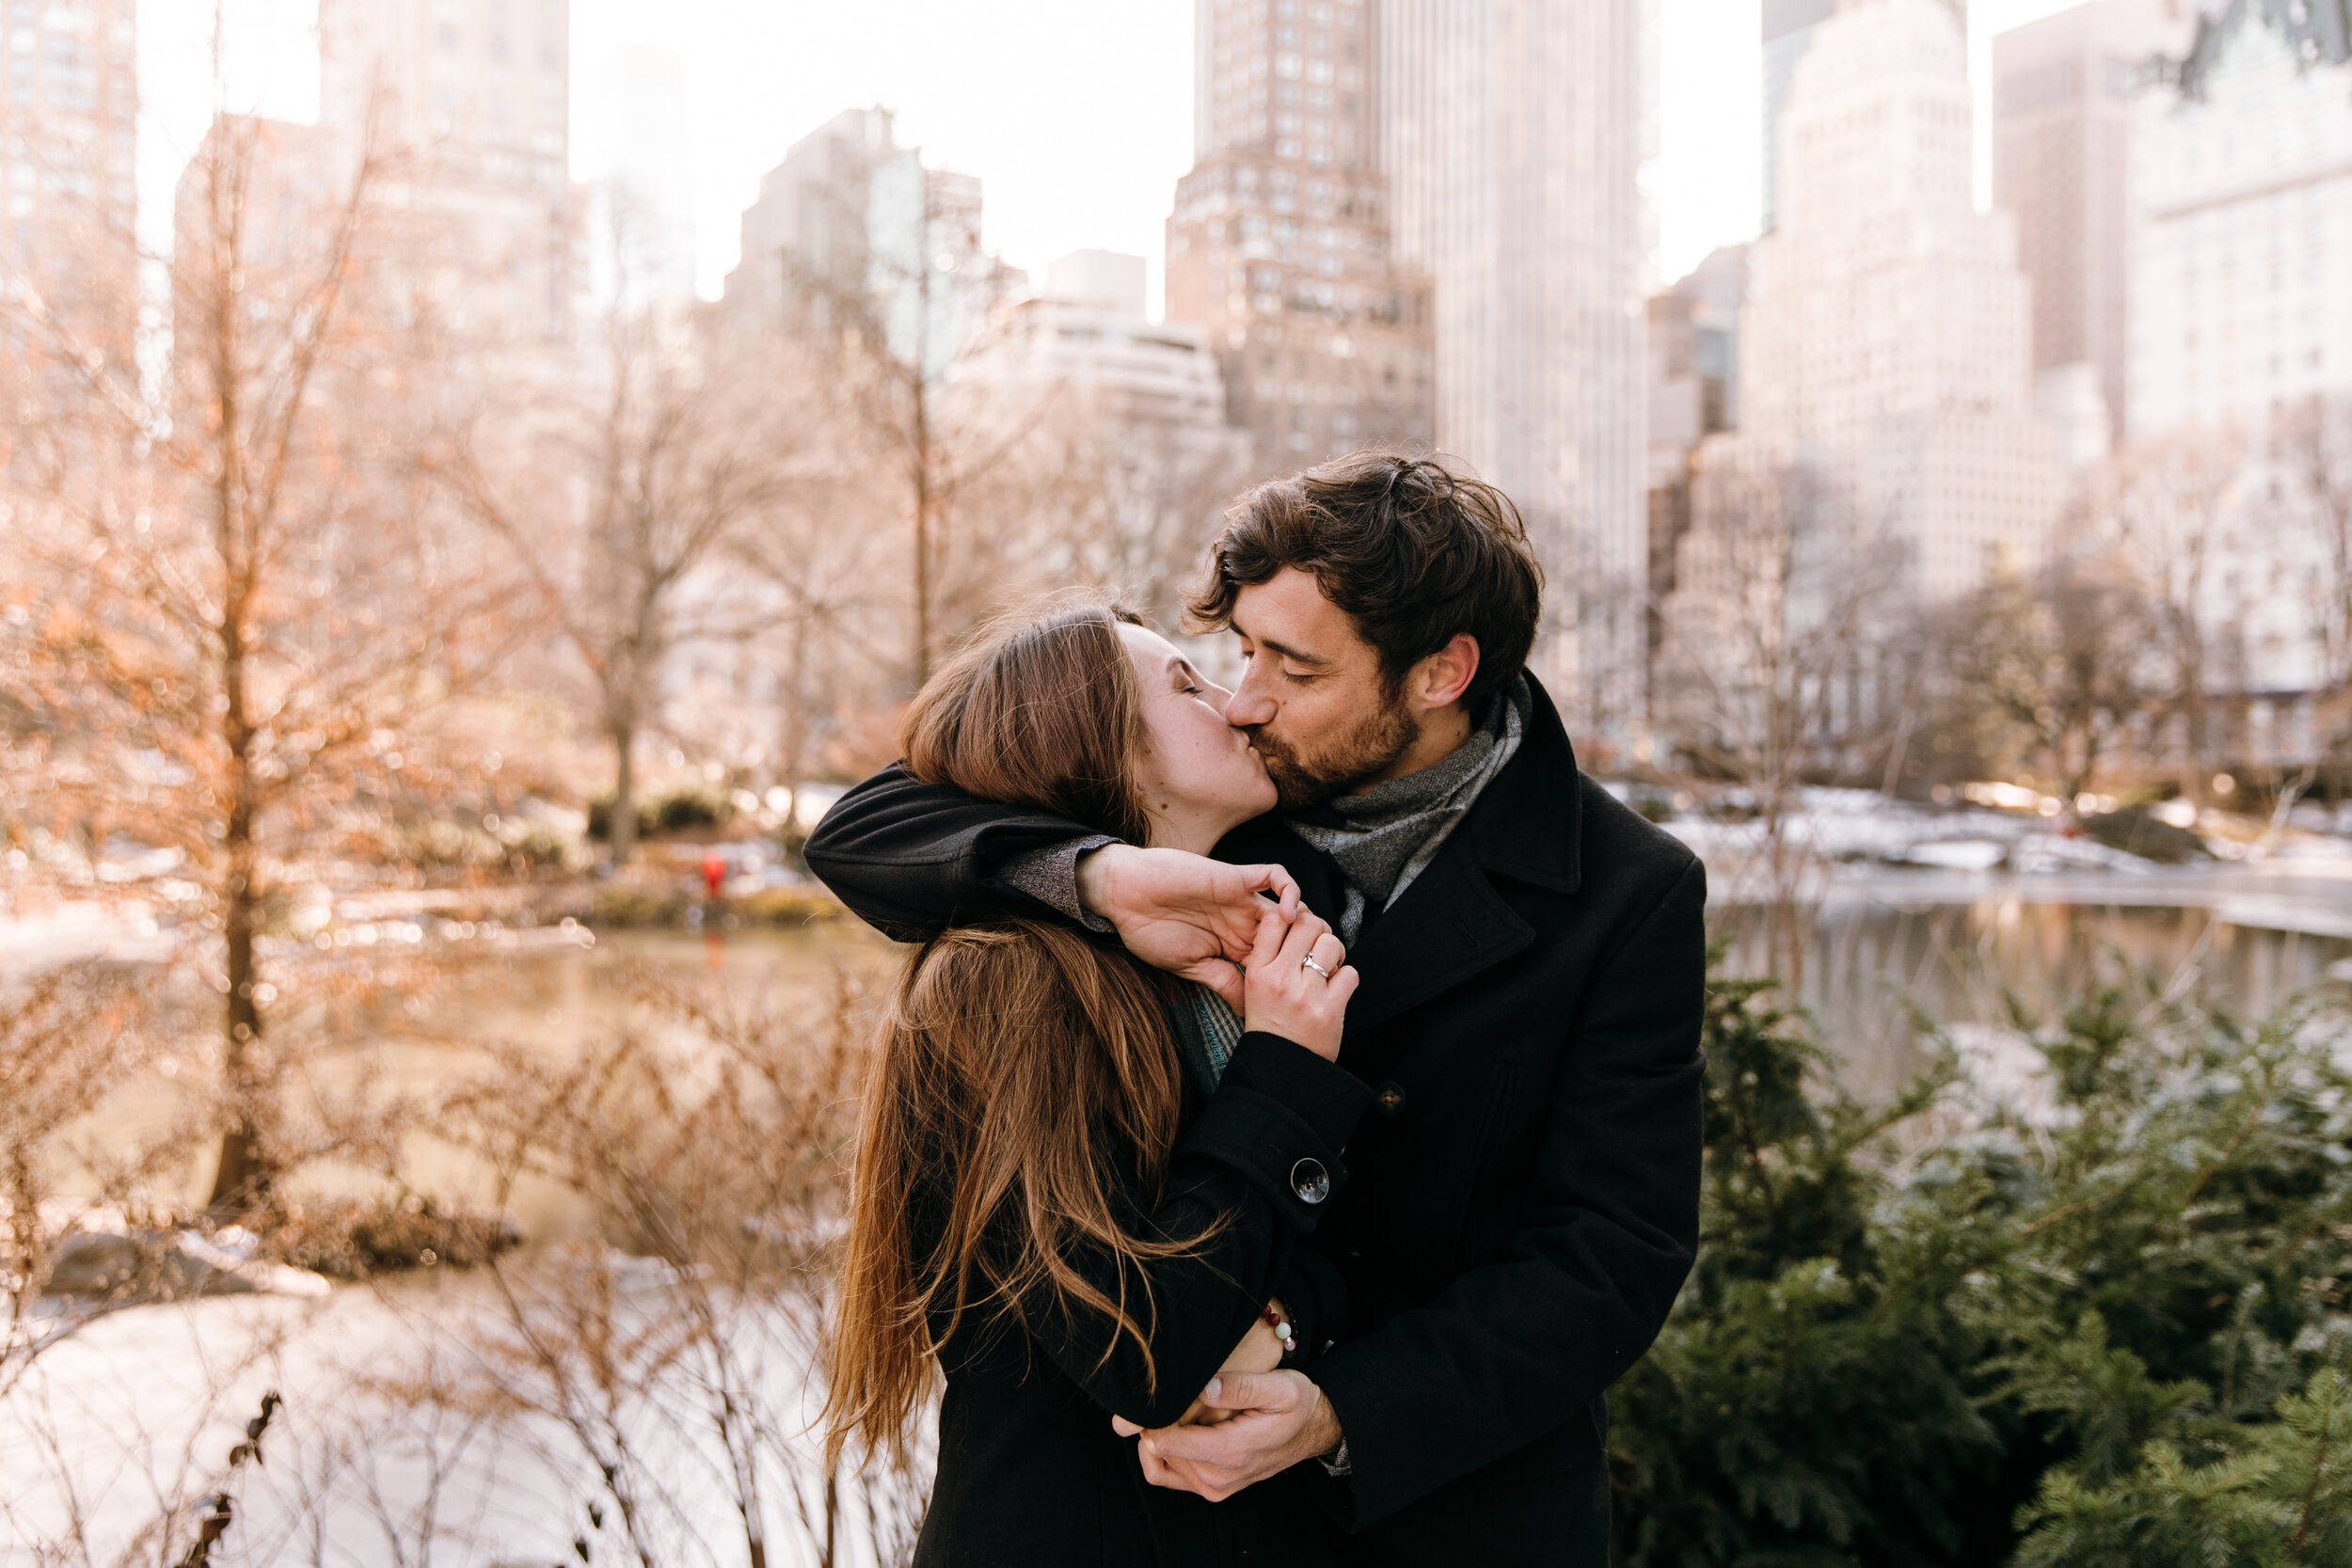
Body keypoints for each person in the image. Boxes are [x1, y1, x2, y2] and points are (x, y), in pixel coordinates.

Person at [807, 451, 1708, 1565]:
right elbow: (864, 827)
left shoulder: (1630, 889)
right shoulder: (1207, 806)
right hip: (1122, 1496)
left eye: (1294, 664)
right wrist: (1098, 875)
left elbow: (1613, 1249)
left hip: (1440, 1509)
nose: (1246, 696)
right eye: (1237, 651)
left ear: (1438, 672)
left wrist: (1340, 1406)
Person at [821, 601, 1375, 1568]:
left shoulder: (1247, 941)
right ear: (1098, 751)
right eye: (1187, 685)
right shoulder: (1006, 982)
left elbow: (1351, 1226)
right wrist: (1283, 1068)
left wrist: (1283, 1321)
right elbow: (1142, 1347)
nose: (1238, 704)